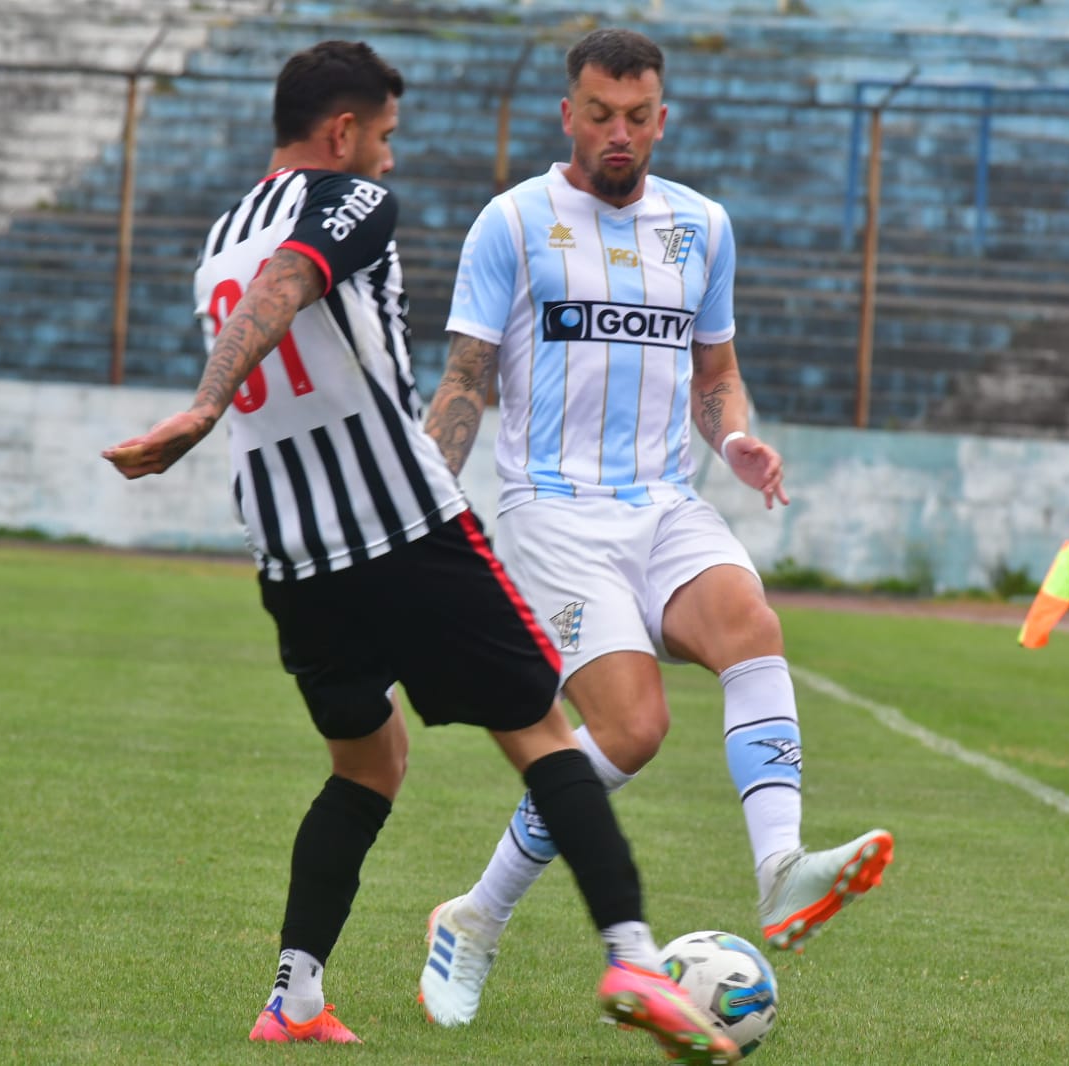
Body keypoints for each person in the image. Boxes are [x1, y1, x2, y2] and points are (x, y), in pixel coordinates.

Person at [100, 40, 738, 1063]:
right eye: (386, 138)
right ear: (343, 132)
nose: (392, 161)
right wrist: (202, 407)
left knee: (370, 758)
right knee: (544, 733)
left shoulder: (217, 234)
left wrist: (210, 411)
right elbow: (293, 279)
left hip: (290, 553)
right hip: (399, 527)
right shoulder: (351, 204)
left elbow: (265, 288)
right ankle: (632, 956)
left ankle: (296, 994)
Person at [416, 27, 892, 1028]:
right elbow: (466, 377)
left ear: (661, 117)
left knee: (752, 627)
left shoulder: (703, 227)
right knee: (633, 730)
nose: (620, 133)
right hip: (553, 512)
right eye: (601, 115)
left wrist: (739, 441)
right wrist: (423, 511)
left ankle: (781, 870)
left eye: (638, 117)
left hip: (665, 501)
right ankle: (476, 912)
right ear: (568, 115)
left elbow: (715, 374)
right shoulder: (511, 223)